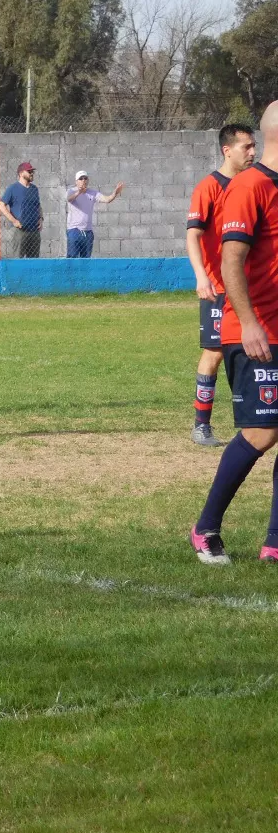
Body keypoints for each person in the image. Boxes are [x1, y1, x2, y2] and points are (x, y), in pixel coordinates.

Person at [189, 102, 278, 567]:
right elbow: (230, 261)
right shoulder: (249, 185)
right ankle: (205, 528)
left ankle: (274, 544)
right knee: (261, 433)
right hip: (256, 330)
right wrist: (249, 323)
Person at [186, 124, 256, 449]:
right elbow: (193, 235)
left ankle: (256, 421)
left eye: (254, 146)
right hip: (217, 287)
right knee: (214, 353)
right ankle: (201, 425)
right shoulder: (208, 188)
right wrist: (201, 276)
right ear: (227, 150)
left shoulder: (253, 186)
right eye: (247, 147)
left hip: (249, 286)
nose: (253, 153)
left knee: (255, 349)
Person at [65, 170, 124, 258]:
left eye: (85, 178)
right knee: (72, 258)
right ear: (76, 181)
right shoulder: (71, 191)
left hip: (88, 232)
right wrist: (79, 192)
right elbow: (69, 199)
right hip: (74, 230)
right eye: (81, 179)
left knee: (86, 259)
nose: (83, 180)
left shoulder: (93, 193)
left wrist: (115, 193)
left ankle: (84, 272)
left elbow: (107, 199)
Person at [0, 161, 42, 258]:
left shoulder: (34, 189)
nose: (32, 173)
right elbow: (1, 205)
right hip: (20, 230)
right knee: (18, 260)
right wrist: (14, 221)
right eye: (29, 171)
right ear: (21, 173)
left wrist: (41, 218)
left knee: (34, 261)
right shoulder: (13, 188)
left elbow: (38, 205)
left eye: (32, 171)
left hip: (34, 231)